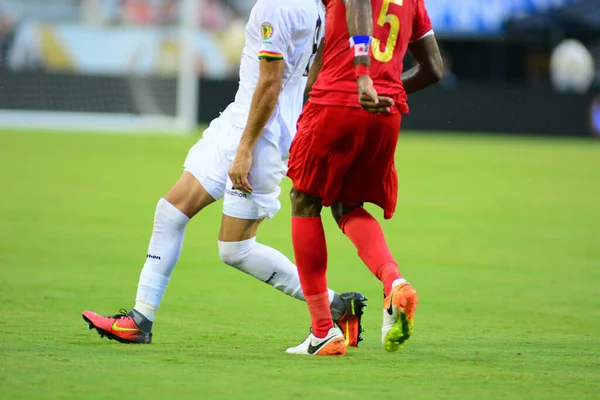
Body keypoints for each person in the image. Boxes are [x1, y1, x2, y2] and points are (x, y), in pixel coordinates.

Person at [82, 0, 367, 346]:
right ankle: (139, 319)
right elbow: (310, 75)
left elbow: (271, 84)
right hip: (238, 124)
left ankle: (336, 304)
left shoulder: (278, 6)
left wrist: (247, 148)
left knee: (236, 250)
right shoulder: (316, 7)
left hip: (258, 137)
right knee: (170, 212)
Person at [285, 0, 443, 356]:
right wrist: (385, 87)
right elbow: (434, 69)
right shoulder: (413, 2)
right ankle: (394, 282)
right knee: (345, 203)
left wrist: (362, 78)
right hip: (385, 111)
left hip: (340, 99)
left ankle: (323, 330)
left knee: (304, 199)